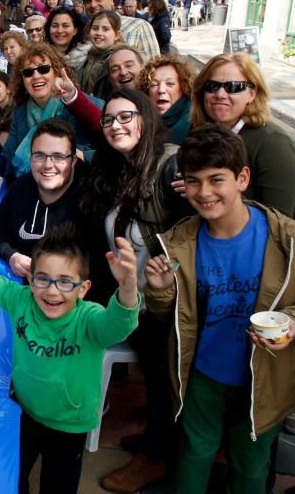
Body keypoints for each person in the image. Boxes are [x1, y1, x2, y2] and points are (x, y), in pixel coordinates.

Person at [143, 124, 295, 494]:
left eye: (216, 179)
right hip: (201, 376)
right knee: (191, 457)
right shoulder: (178, 242)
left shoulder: (288, 239)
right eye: (193, 181)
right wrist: (158, 292)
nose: (204, 193)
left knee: (252, 468)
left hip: (267, 381)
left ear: (242, 178)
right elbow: (167, 316)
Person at [0, 203, 140, 494]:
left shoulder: (89, 319)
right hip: (25, 413)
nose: (52, 290)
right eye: (43, 279)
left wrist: (127, 288)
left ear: (83, 288)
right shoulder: (20, 299)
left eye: (65, 282)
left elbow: (119, 325)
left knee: (58, 485)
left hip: (70, 425)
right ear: (31, 279)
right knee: (13, 476)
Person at [84, 89, 193, 493]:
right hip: (135, 298)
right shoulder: (117, 168)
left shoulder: (171, 166)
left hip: (168, 304)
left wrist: (166, 283)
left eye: (125, 116)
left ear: (145, 118)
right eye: (108, 120)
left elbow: (193, 236)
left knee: (163, 377)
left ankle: (155, 457)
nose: (116, 125)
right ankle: (153, 437)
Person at [191, 53, 295, 219]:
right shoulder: (200, 133)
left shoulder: (274, 143)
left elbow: (279, 220)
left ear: (252, 93)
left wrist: (206, 196)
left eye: (234, 87)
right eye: (212, 86)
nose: (220, 94)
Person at [0, 44, 90, 180]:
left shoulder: (76, 105)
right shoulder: (21, 112)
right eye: (28, 72)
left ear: (56, 72)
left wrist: (79, 155)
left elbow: (104, 152)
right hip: (28, 189)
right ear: (22, 80)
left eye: (43, 69)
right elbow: (8, 165)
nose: (36, 75)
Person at [0, 119, 88, 279]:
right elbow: (0, 227)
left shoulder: (89, 205)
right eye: (40, 155)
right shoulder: (21, 187)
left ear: (73, 161)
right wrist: (11, 255)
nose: (48, 165)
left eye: (59, 157)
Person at [80, 0, 160, 59]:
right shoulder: (83, 33)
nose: (93, 5)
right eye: (88, 1)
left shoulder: (139, 27)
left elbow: (155, 66)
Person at [136, 55, 195, 143]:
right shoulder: (138, 123)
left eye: (170, 84)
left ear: (184, 88)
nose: (161, 90)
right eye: (154, 85)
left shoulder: (196, 121)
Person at [75, 10, 123, 99]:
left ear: (117, 35)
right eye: (95, 28)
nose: (99, 33)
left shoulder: (119, 59)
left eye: (106, 29)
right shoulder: (87, 57)